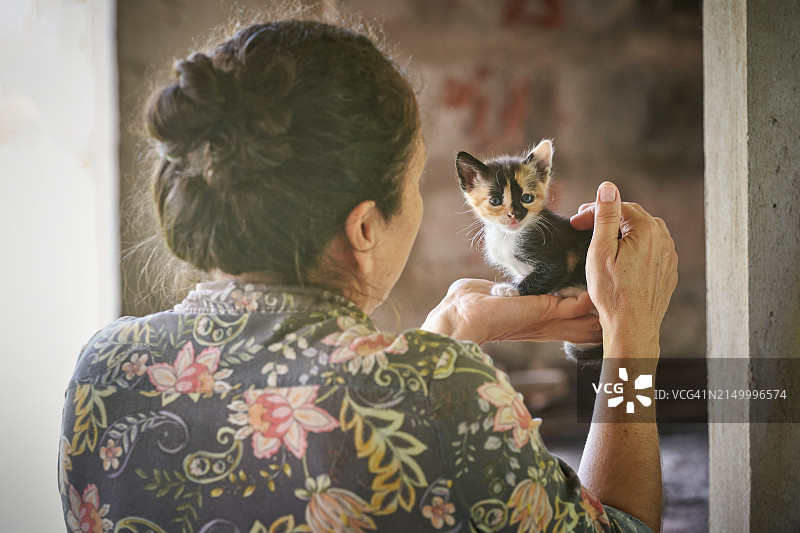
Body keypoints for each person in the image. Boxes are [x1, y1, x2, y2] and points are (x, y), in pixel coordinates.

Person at [59, 14, 677, 533]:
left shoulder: (103, 372)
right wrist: (632, 335)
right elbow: (622, 526)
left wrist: (448, 331)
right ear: (363, 229)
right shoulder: (451, 396)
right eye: (415, 185)